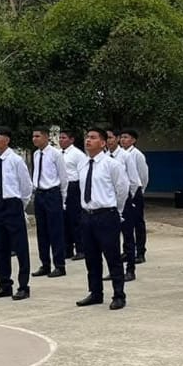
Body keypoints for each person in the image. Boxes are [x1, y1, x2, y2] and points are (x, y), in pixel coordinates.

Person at [76, 126, 130, 310]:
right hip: (87, 215)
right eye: (87, 137)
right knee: (91, 258)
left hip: (106, 215)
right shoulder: (83, 164)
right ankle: (95, 292)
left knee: (112, 257)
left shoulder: (111, 164)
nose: (88, 140)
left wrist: (117, 210)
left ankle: (119, 294)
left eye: (93, 137)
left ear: (103, 143)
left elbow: (122, 189)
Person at [0, 125, 33, 301]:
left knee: (20, 247)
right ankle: (4, 284)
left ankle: (23, 286)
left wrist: (20, 205)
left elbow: (26, 186)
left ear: (7, 140)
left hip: (13, 204)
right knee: (0, 247)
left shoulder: (15, 160)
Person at [30, 128, 67, 278]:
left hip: (52, 193)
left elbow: (63, 177)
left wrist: (63, 198)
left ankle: (59, 265)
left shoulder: (55, 154)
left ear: (46, 137)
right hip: (40, 194)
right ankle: (45, 264)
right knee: (42, 231)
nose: (34, 139)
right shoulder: (36, 154)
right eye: (33, 136)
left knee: (55, 231)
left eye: (37, 136)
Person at [117, 129, 148, 274]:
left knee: (138, 223)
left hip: (135, 191)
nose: (123, 140)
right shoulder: (119, 154)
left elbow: (143, 175)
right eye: (122, 137)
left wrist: (139, 192)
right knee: (126, 224)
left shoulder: (137, 155)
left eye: (126, 137)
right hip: (124, 193)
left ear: (133, 140)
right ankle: (127, 251)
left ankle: (140, 251)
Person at [58, 130, 88, 261]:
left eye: (64, 138)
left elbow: (83, 173)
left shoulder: (77, 154)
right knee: (64, 219)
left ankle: (81, 249)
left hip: (74, 186)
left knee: (75, 219)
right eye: (60, 138)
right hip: (61, 186)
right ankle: (67, 248)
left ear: (71, 140)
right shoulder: (58, 154)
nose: (61, 140)